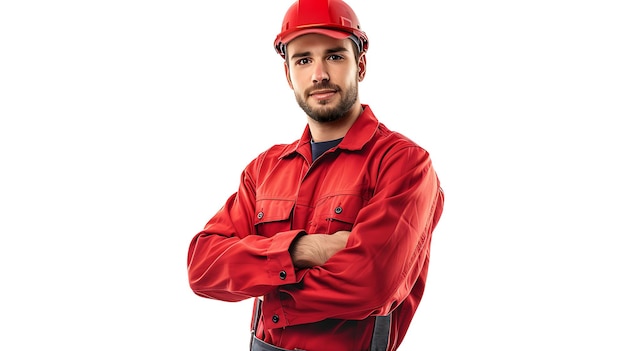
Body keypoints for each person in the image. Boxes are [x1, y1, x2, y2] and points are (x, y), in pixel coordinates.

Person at [187, 0, 445, 350]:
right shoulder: (264, 169)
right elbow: (203, 267)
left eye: (335, 56)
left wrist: (266, 288)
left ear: (361, 65)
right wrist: (305, 249)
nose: (319, 74)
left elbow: (371, 284)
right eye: (303, 60)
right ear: (288, 74)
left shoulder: (403, 164)